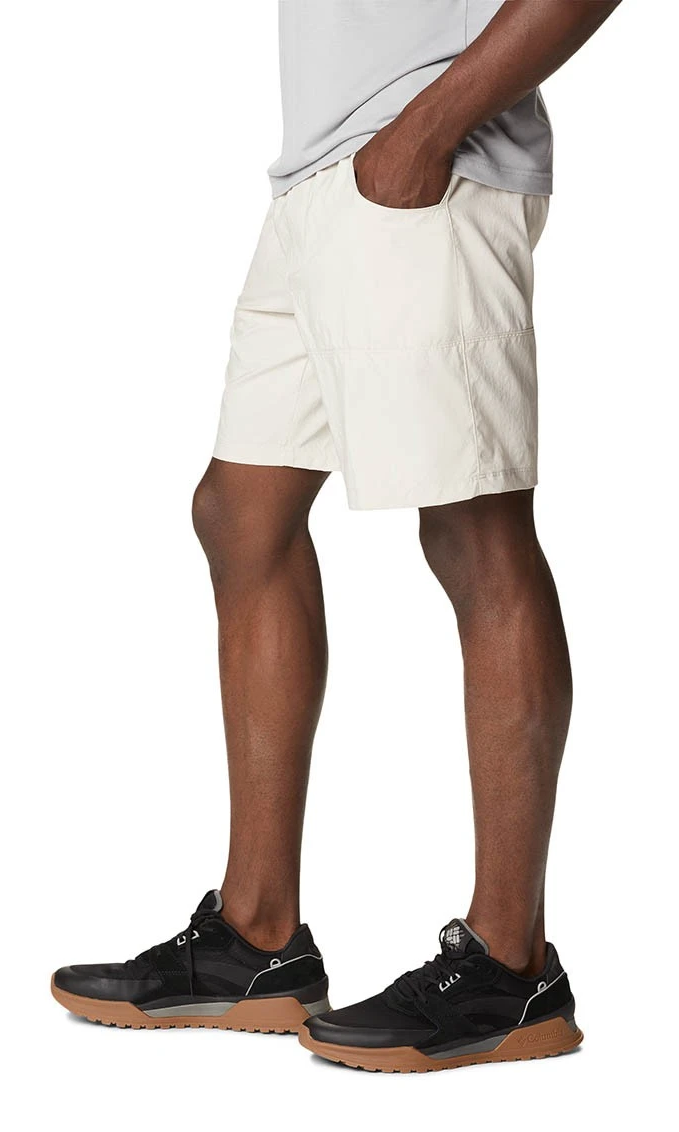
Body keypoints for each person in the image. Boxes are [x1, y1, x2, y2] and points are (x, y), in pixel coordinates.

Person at [52, 0, 621, 1073]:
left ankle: (512, 967)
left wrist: (427, 129)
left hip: (424, 169)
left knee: (474, 532)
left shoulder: (421, 147)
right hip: (324, 181)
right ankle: (256, 938)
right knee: (239, 513)